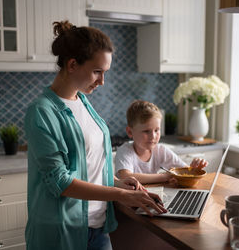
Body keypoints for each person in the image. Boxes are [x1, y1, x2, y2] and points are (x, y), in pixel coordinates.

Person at [24, 21, 166, 250]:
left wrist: (119, 183)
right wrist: (120, 194)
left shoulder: (83, 102)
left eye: (105, 72)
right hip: (62, 232)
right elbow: (60, 181)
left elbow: (88, 168)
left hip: (98, 228)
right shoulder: (41, 112)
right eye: (97, 71)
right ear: (72, 64)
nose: (102, 81)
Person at [115, 100, 208, 184]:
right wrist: (164, 177)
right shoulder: (125, 150)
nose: (153, 136)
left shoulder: (160, 150)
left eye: (157, 130)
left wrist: (194, 169)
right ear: (130, 132)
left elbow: (183, 171)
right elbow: (126, 176)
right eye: (146, 131)